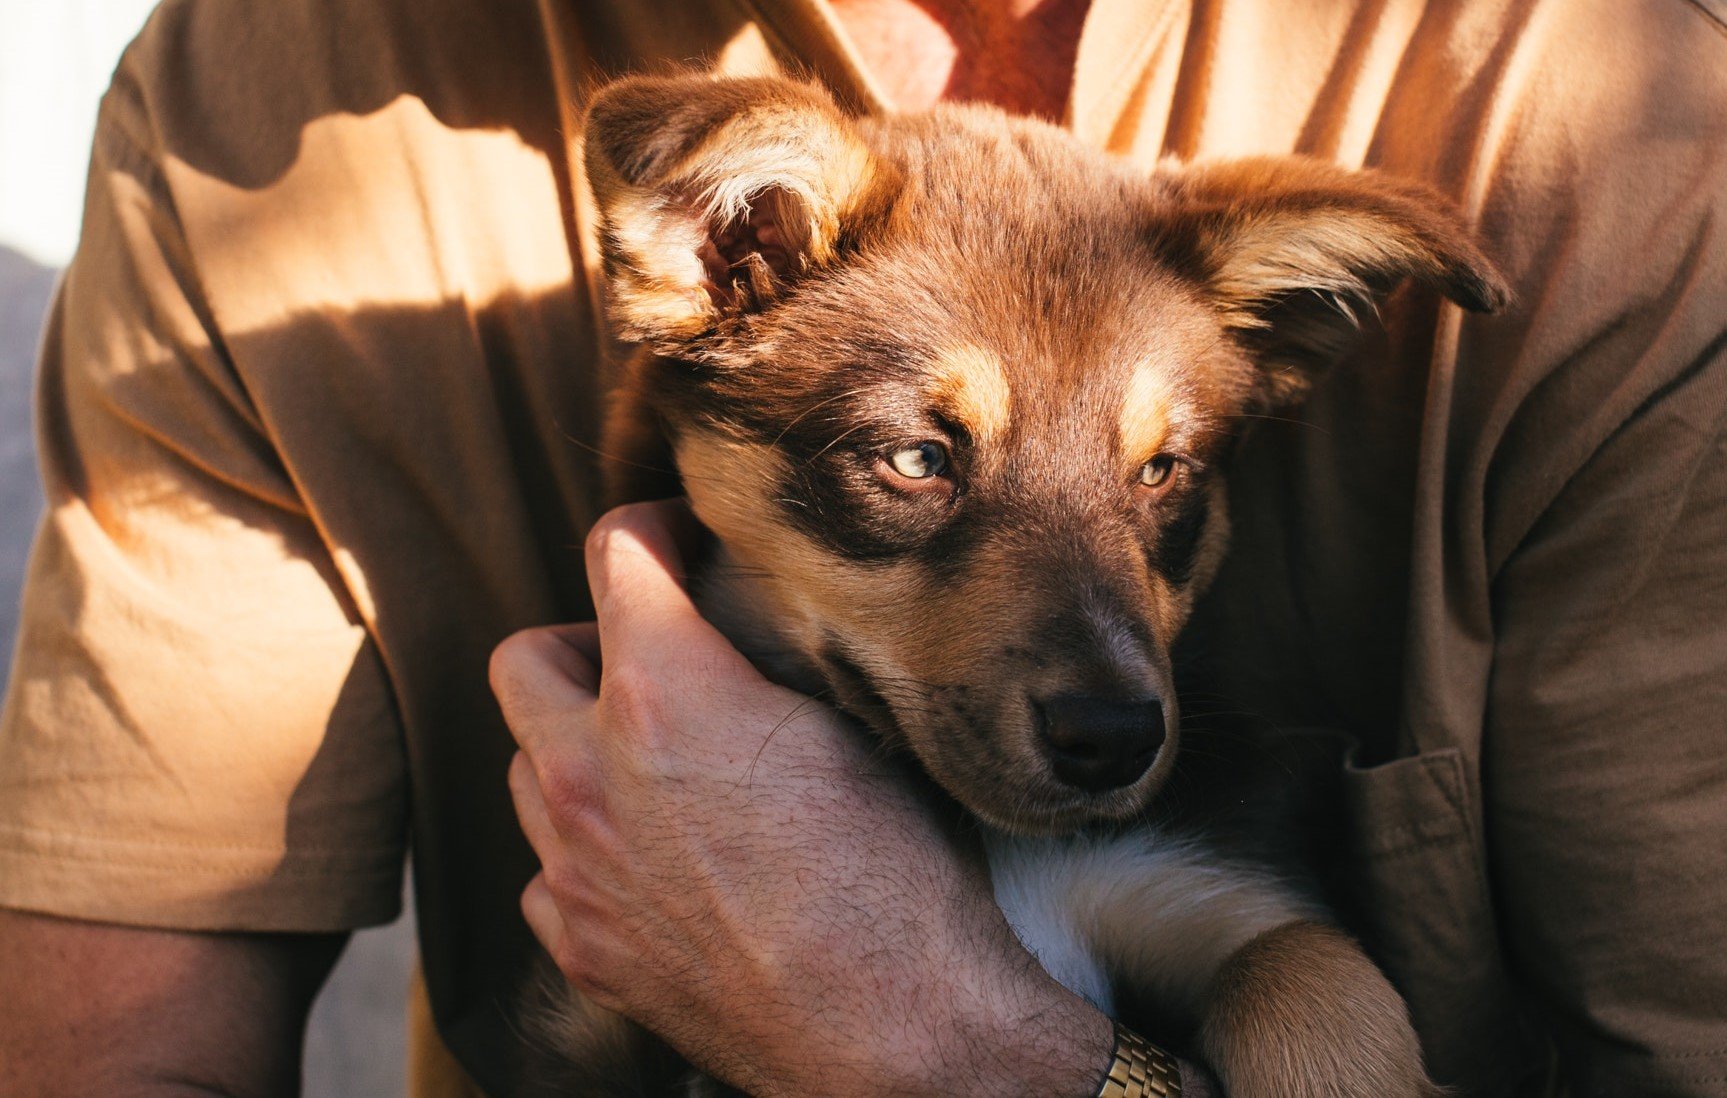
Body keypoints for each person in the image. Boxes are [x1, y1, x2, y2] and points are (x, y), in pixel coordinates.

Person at [1, 0, 1724, 1095]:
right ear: (719, 260)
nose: (1104, 671)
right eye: (917, 461)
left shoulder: (1619, 126)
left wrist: (950, 1039)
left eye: (1155, 482)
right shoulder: (256, 94)